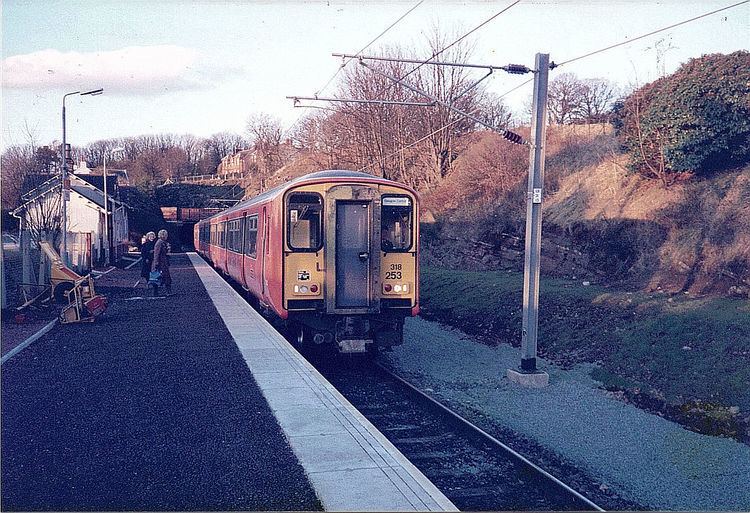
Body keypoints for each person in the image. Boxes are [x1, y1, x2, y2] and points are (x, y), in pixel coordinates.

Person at [151, 229, 172, 296]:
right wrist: (156, 263)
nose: (167, 236)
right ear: (163, 235)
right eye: (166, 234)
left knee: (164, 278)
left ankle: (166, 292)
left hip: (163, 262)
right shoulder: (159, 243)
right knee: (160, 277)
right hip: (160, 263)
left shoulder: (162, 242)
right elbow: (156, 254)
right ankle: (164, 292)